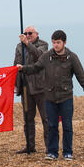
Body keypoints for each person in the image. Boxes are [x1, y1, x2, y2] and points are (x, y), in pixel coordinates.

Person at [17, 29, 84, 160]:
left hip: (66, 97)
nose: (55, 45)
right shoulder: (47, 56)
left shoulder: (72, 57)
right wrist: (23, 68)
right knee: (52, 126)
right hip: (50, 97)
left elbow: (81, 75)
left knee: (67, 125)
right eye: (53, 42)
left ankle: (68, 152)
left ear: (64, 42)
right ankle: (52, 152)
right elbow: (35, 67)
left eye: (58, 42)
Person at [13, 25, 49, 154]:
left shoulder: (43, 44)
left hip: (40, 87)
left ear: (36, 34)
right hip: (25, 88)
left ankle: (50, 147)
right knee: (28, 118)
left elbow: (39, 56)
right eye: (25, 33)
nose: (27, 35)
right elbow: (15, 64)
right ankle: (30, 145)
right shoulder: (19, 46)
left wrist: (27, 44)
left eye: (30, 33)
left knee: (46, 118)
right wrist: (14, 82)